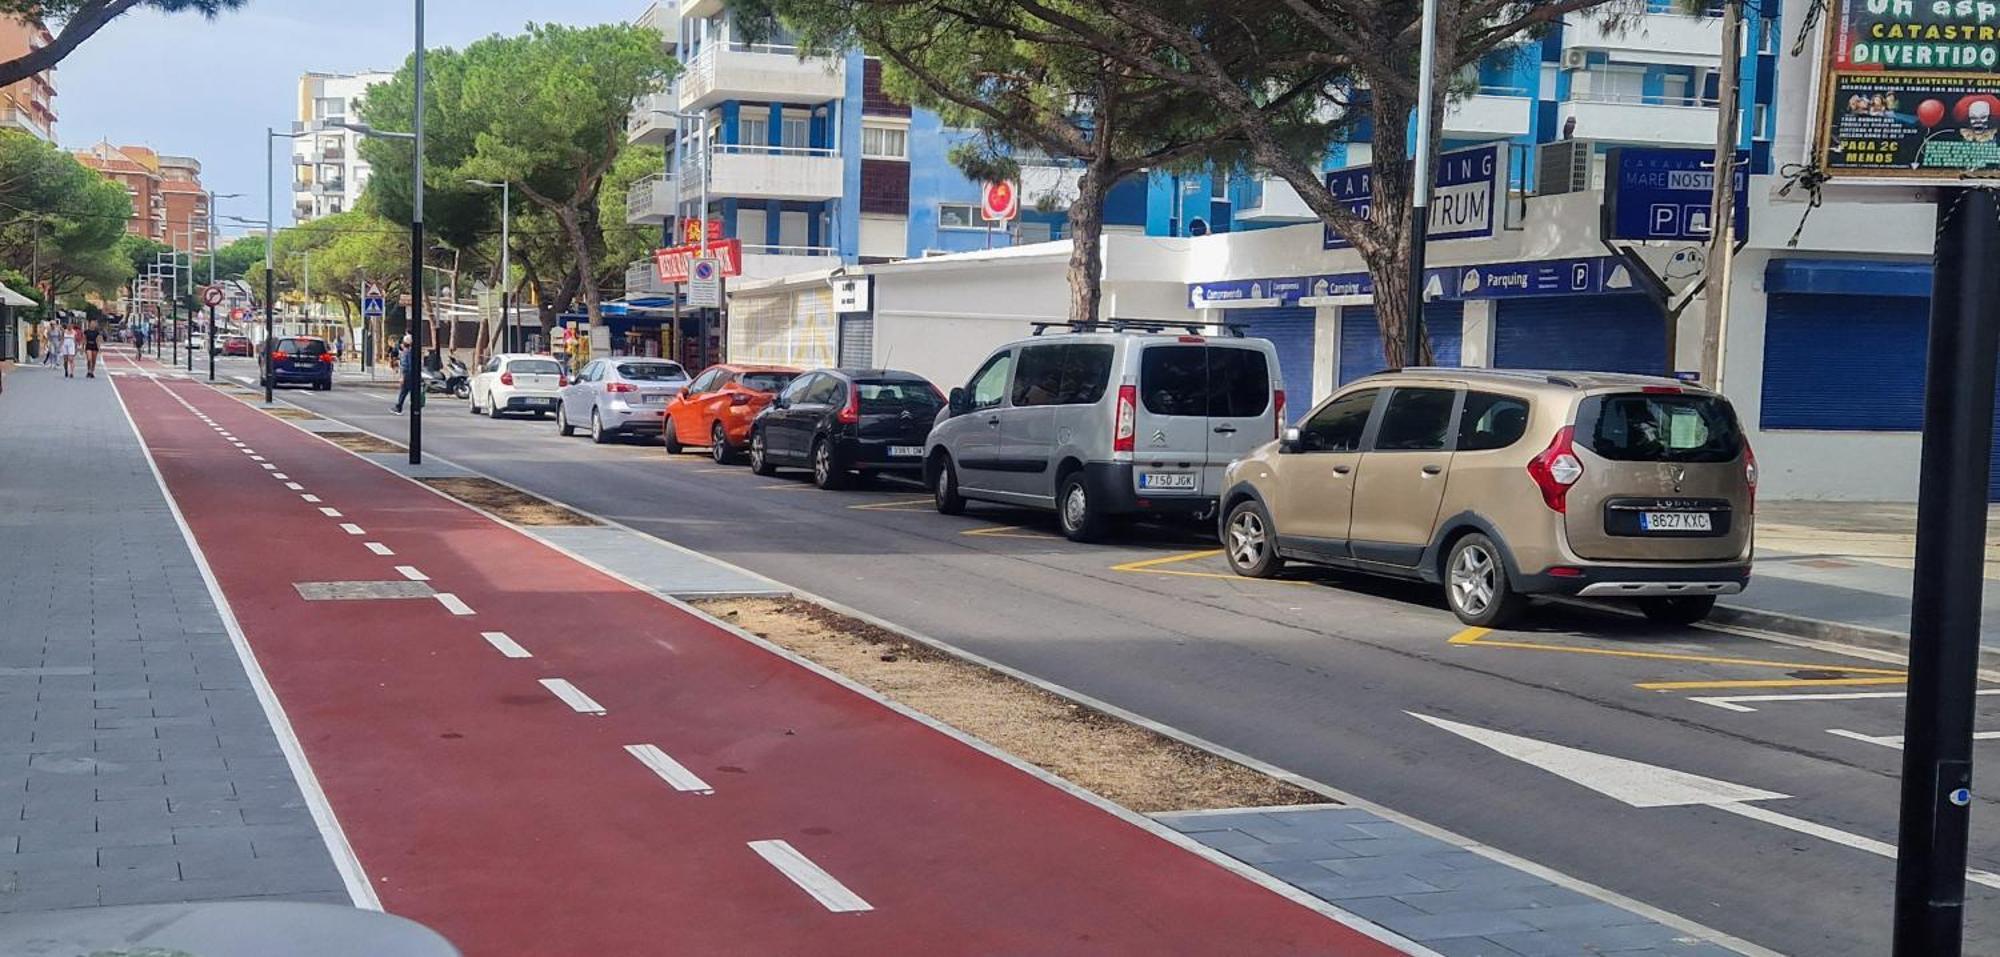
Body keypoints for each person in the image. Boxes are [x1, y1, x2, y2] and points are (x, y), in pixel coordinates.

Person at [391, 334, 415, 414]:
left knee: (404, 391)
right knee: (406, 391)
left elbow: (406, 366)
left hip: (407, 375)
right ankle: (400, 406)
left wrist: (403, 377)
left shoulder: (406, 353)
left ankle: (399, 407)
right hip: (410, 374)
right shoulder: (410, 352)